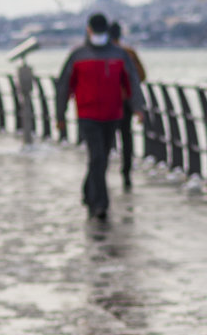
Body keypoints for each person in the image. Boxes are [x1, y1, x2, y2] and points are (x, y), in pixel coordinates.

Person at [55, 12, 144, 222]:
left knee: (102, 157)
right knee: (97, 156)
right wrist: (60, 115)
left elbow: (132, 81)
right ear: (89, 30)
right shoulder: (78, 55)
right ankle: (100, 205)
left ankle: (88, 191)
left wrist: (138, 108)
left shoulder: (120, 54)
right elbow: (64, 86)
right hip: (87, 115)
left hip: (112, 115)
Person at [109, 21, 146, 192]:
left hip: (108, 103)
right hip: (126, 102)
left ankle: (102, 170)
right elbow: (141, 76)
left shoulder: (102, 53)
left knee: (106, 137)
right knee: (126, 137)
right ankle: (126, 172)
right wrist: (138, 106)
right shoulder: (129, 52)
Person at [8, 36, 38, 147]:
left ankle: (27, 137)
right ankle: (27, 138)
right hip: (25, 92)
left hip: (26, 91)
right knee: (26, 108)